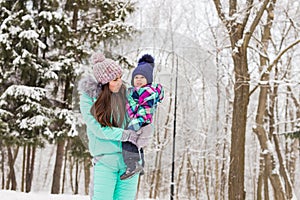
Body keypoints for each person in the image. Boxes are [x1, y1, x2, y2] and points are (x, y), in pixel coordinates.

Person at [78, 52, 153, 200]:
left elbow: (144, 115)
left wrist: (147, 130)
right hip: (105, 161)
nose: (120, 82)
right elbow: (98, 129)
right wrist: (126, 135)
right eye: (115, 79)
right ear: (104, 82)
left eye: (120, 78)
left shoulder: (128, 95)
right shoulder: (89, 99)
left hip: (130, 162)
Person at [120, 54, 164, 180]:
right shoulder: (135, 91)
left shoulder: (147, 91)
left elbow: (145, 110)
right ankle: (140, 165)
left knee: (127, 141)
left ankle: (132, 165)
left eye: (142, 77)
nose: (139, 79)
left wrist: (134, 124)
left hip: (140, 121)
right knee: (136, 144)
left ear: (148, 80)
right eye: (136, 77)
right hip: (137, 120)